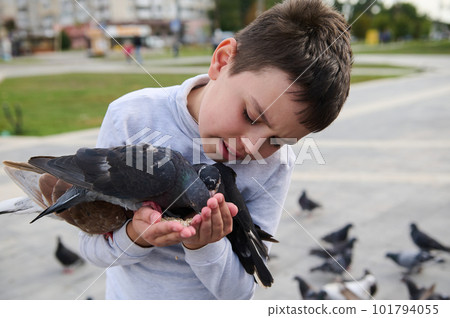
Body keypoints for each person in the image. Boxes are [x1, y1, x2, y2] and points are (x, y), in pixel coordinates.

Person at [45, 0, 352, 299]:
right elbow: (91, 250)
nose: (252, 146)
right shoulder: (130, 116)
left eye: (279, 141)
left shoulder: (275, 166)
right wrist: (134, 238)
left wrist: (206, 246)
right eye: (251, 115)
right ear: (222, 60)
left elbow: (243, 292)